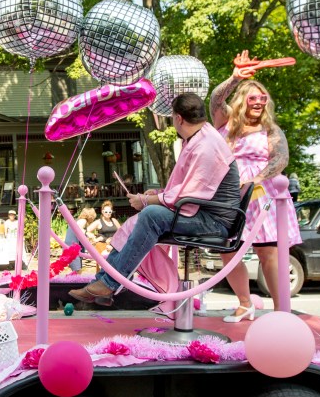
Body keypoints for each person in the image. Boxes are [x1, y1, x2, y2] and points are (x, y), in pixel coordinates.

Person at [70, 93, 241, 306]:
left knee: (151, 215)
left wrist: (147, 200)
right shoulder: (202, 136)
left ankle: (111, 283)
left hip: (215, 222)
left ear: (178, 118)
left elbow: (189, 194)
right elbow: (188, 187)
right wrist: (157, 195)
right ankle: (103, 284)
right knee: (139, 220)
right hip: (205, 213)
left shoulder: (206, 145)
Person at [210, 62, 302, 322]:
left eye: (263, 98)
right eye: (254, 97)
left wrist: (254, 179)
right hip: (229, 195)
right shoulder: (225, 122)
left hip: (262, 195)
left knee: (268, 253)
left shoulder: (271, 130)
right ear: (242, 100)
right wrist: (234, 78)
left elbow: (280, 159)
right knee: (227, 249)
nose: (259, 102)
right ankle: (244, 303)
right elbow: (216, 99)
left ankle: (280, 310)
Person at [64, 206, 97, 272]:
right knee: (77, 270)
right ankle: (75, 281)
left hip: (69, 245)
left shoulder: (78, 220)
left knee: (75, 269)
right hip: (73, 247)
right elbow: (79, 229)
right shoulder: (83, 221)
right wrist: (88, 234)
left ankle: (73, 280)